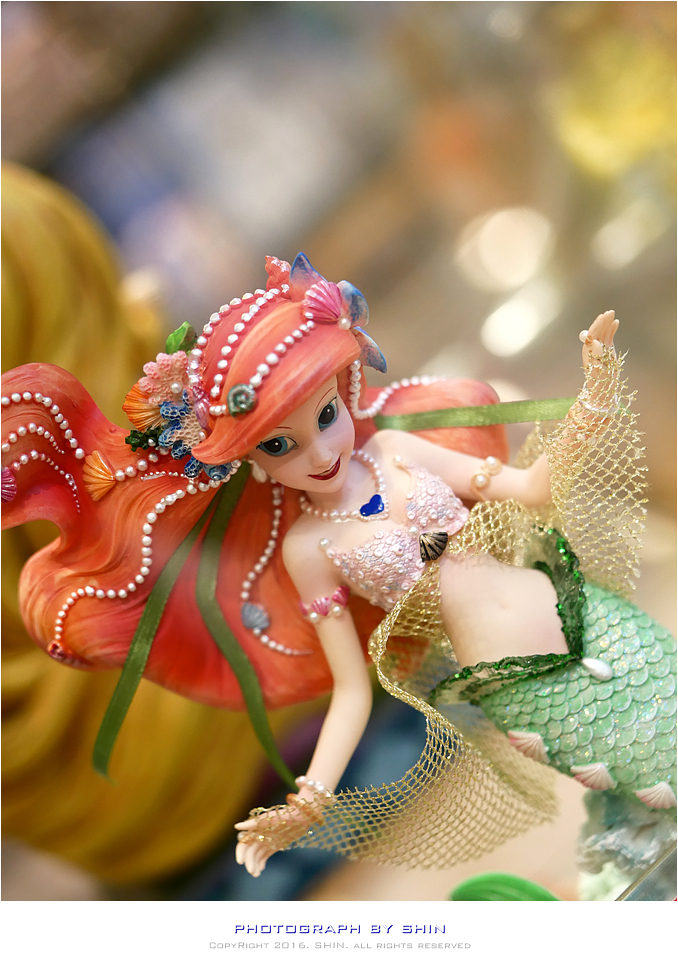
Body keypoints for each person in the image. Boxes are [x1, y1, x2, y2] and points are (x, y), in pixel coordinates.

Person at [2, 253, 675, 890]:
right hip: (516, 687)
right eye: (280, 445)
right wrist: (309, 801)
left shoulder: (397, 449)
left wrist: (593, 394)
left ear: (343, 391)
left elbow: (528, 488)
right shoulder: (308, 548)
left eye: (325, 416)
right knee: (645, 776)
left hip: (576, 609)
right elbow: (353, 690)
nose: (320, 452)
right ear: (249, 462)